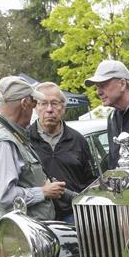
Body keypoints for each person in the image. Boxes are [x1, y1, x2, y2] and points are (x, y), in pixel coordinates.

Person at [0, 75, 64, 219]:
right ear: (24, 103)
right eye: (34, 103)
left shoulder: (8, 132)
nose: (33, 110)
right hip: (27, 233)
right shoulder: (3, 141)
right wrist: (43, 192)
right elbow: (3, 196)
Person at [28, 82, 97, 224]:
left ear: (63, 107)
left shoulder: (78, 140)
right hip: (39, 218)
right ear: (36, 107)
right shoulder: (26, 140)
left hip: (75, 217)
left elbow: (91, 181)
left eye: (54, 103)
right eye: (43, 104)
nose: (49, 109)